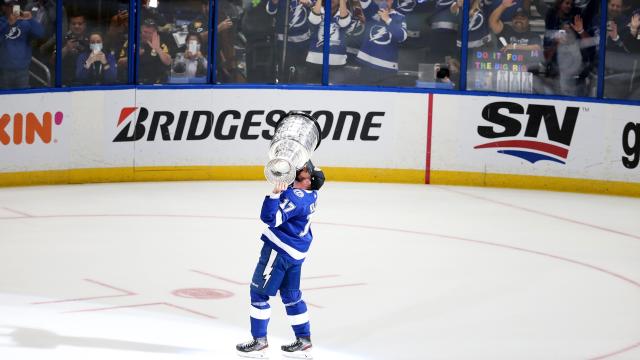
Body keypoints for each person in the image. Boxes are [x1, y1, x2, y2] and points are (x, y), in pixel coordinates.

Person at [236, 161, 325, 359]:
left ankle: (259, 342)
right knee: (292, 295)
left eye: (304, 171)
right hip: (296, 253)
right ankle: (304, 340)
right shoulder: (312, 194)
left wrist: (275, 193)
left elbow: (271, 219)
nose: (301, 170)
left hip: (279, 251)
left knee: (258, 293)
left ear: (308, 182)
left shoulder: (297, 196)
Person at [355, 0, 408, 85]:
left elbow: (402, 37)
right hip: (367, 65)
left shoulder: (400, 17)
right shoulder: (371, 9)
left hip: (388, 70)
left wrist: (387, 19)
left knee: (387, 98)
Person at [0, 0, 45, 89]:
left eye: (15, 5)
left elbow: (40, 34)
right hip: (4, 71)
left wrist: (30, 19)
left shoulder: (25, 23)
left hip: (22, 71)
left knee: (23, 100)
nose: (13, 8)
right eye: (10, 5)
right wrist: (8, 24)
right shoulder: (1, 22)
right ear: (3, 7)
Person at [305, 0, 352, 83]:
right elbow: (314, 20)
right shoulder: (317, 9)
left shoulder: (345, 12)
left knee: (335, 95)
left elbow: (344, 22)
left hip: (337, 63)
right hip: (314, 61)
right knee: (311, 93)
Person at [119, 18, 172, 84]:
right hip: (135, 82)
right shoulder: (131, 42)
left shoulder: (160, 44)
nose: (147, 35)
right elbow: (120, 63)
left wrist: (158, 49)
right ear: (141, 30)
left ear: (155, 33)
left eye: (150, 33)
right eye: (145, 32)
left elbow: (168, 62)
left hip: (156, 83)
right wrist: (135, 55)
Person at [60, 13, 89, 86]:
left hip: (87, 82)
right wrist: (66, 49)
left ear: (85, 25)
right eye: (73, 24)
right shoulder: (62, 39)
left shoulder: (91, 40)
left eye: (80, 24)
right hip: (66, 82)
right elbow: (53, 60)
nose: (76, 26)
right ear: (69, 25)